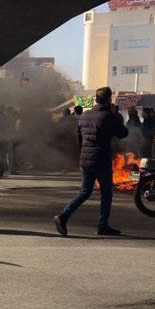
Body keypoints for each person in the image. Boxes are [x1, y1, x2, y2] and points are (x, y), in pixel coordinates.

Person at [53, 86, 128, 237]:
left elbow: (79, 139)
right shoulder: (108, 116)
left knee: (85, 192)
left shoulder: (85, 116)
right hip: (101, 160)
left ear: (96, 99)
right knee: (106, 194)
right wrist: (116, 116)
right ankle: (102, 226)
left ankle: (63, 216)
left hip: (85, 159)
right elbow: (123, 133)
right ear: (109, 100)